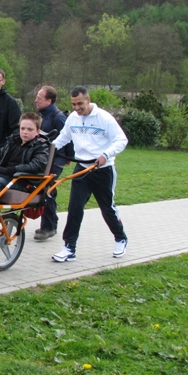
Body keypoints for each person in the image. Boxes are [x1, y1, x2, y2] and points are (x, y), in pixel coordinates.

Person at [51, 86, 129, 263]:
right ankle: (69, 248)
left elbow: (121, 140)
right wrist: (49, 149)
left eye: (80, 103)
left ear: (88, 99)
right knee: (75, 208)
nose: (77, 108)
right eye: (73, 104)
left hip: (103, 170)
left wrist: (105, 155)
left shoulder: (104, 118)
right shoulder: (73, 117)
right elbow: (63, 137)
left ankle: (120, 238)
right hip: (82, 168)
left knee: (107, 208)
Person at [33, 85, 68, 241]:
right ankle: (50, 223)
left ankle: (49, 227)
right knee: (45, 191)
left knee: (47, 191)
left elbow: (69, 138)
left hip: (55, 161)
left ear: (49, 100)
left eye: (39, 98)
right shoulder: (41, 116)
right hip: (44, 160)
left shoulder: (58, 117)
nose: (36, 100)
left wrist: (66, 158)